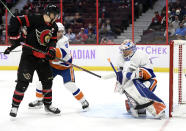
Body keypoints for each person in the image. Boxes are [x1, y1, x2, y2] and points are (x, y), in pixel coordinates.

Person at [5, 4, 61, 117]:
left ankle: (48, 105)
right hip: (28, 57)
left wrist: (51, 51)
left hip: (43, 59)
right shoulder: (34, 18)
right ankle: (14, 107)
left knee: (48, 82)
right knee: (22, 83)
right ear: (49, 13)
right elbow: (16, 20)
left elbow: (52, 41)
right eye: (55, 15)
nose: (56, 17)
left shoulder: (54, 26)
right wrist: (14, 37)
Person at [28, 22, 89, 110]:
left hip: (66, 67)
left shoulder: (64, 40)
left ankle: (83, 101)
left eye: (61, 31)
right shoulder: (48, 38)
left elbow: (63, 53)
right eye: (58, 31)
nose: (60, 33)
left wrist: (49, 53)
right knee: (41, 83)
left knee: (69, 85)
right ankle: (39, 100)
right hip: (53, 67)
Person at [115, 39, 166, 118]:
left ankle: (158, 108)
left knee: (138, 91)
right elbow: (121, 74)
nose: (123, 52)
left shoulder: (141, 55)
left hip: (149, 81)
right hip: (133, 83)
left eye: (125, 50)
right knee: (127, 87)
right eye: (122, 50)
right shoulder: (121, 58)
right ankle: (133, 104)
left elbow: (149, 73)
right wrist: (119, 81)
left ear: (131, 49)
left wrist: (137, 74)